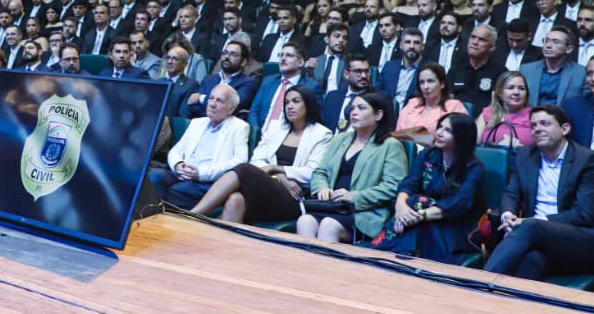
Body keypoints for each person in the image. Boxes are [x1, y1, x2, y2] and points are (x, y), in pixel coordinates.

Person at [484, 105, 594, 281]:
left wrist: (530, 222)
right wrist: (508, 215)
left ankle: (481, 281)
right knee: (530, 262)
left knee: (530, 227)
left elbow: (585, 215)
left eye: (545, 123)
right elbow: (511, 193)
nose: (537, 129)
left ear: (565, 128)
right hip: (536, 240)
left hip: (580, 239)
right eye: (533, 126)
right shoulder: (525, 156)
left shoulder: (589, 161)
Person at [188, 86, 333, 223]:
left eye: (296, 101)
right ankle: (224, 247)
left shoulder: (321, 134)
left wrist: (274, 168)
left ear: (308, 104)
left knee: (244, 169)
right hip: (268, 189)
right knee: (235, 199)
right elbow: (256, 160)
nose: (289, 106)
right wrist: (279, 176)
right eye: (286, 102)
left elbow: (313, 172)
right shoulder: (276, 128)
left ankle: (193, 215)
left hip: (295, 198)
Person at [297, 91, 408, 243]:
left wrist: (354, 196)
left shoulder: (391, 146)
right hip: (332, 206)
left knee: (328, 226)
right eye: (353, 108)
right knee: (305, 221)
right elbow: (320, 171)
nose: (354, 112)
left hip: (362, 212)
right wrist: (322, 188)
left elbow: (394, 186)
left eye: (361, 108)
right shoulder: (340, 139)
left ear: (378, 115)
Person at [375, 112, 484, 264]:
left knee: (418, 203)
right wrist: (401, 208)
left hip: (453, 224)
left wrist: (417, 216)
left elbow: (460, 203)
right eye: (440, 127)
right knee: (413, 201)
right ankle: (400, 256)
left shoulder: (473, 167)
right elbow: (410, 183)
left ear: (462, 137)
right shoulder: (428, 154)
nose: (439, 133)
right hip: (417, 217)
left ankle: (388, 253)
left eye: (448, 130)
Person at [151, 84, 250, 209]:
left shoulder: (239, 127)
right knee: (154, 177)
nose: (212, 104)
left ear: (231, 109)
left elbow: (240, 162)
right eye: (211, 98)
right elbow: (177, 149)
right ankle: (147, 217)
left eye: (219, 101)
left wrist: (201, 173)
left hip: (208, 181)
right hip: (182, 174)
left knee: (176, 191)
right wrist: (178, 164)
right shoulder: (197, 123)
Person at [394, 62, 467, 135]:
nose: (425, 87)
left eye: (430, 81)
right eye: (422, 82)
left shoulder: (454, 106)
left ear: (442, 84)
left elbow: (462, 138)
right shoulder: (412, 104)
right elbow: (397, 133)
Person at [476, 71, 532, 147]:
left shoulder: (533, 115)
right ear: (500, 94)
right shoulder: (487, 113)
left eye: (521, 88)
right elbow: (474, 145)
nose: (516, 92)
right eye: (510, 88)